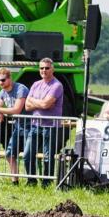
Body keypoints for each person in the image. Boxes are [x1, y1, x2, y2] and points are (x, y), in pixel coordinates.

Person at [24, 58, 64, 188]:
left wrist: (35, 101)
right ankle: (31, 181)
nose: (44, 70)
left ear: (53, 69)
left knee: (48, 156)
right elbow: (27, 106)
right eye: (41, 68)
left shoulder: (57, 85)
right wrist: (41, 103)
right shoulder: (36, 84)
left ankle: (46, 182)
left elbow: (46, 104)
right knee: (27, 154)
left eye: (47, 68)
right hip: (35, 124)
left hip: (50, 126)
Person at [0, 67, 29, 185]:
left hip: (30, 125)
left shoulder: (20, 89)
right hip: (18, 126)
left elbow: (17, 109)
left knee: (28, 155)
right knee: (9, 154)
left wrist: (0, 110)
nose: (0, 83)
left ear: (10, 78)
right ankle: (14, 182)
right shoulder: (2, 92)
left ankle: (32, 180)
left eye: (3, 80)